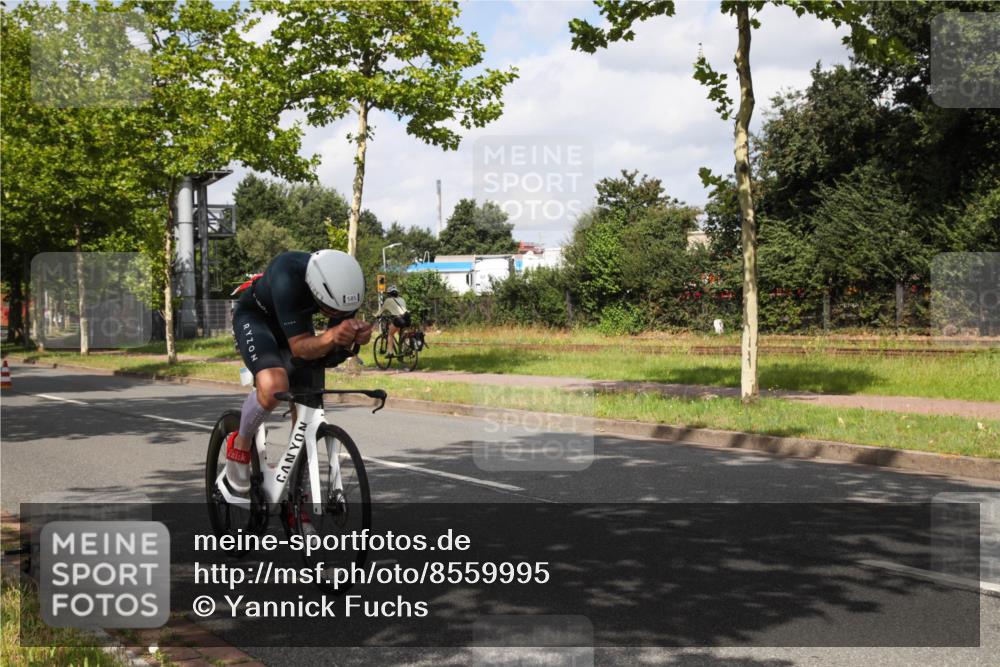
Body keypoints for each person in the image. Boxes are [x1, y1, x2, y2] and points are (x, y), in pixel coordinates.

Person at [225, 249, 373, 495]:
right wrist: (332, 336)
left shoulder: (346, 285)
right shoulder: (288, 275)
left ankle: (296, 491)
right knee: (275, 386)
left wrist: (351, 339)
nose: (338, 316)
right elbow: (301, 348)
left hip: (294, 320)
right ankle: (240, 441)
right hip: (257, 320)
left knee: (307, 404)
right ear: (316, 290)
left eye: (343, 312)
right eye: (332, 311)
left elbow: (329, 350)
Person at [374, 285, 410, 356]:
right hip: (407, 318)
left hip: (398, 319)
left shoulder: (388, 300)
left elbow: (381, 310)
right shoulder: (402, 299)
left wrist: (376, 315)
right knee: (401, 334)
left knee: (390, 334)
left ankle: (390, 352)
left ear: (389, 294)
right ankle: (405, 348)